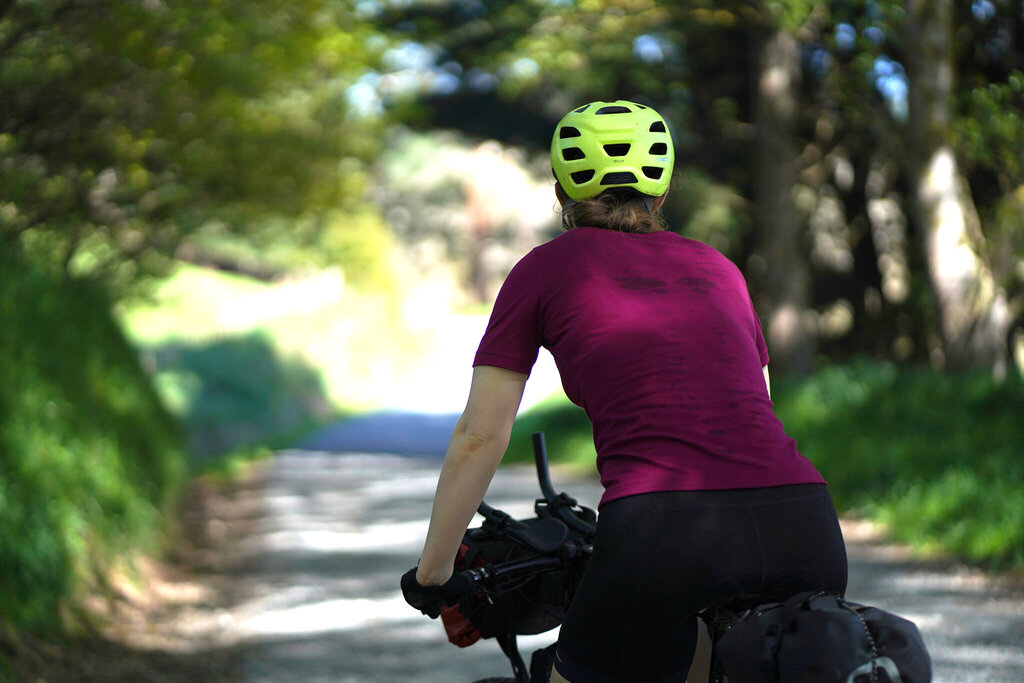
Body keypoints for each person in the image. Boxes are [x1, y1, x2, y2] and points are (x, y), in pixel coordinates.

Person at [401, 100, 848, 682]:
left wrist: (433, 573)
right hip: (805, 522)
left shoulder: (543, 269)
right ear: (662, 192)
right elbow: (756, 408)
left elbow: (480, 435)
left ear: (561, 191)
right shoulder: (720, 269)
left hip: (663, 530)